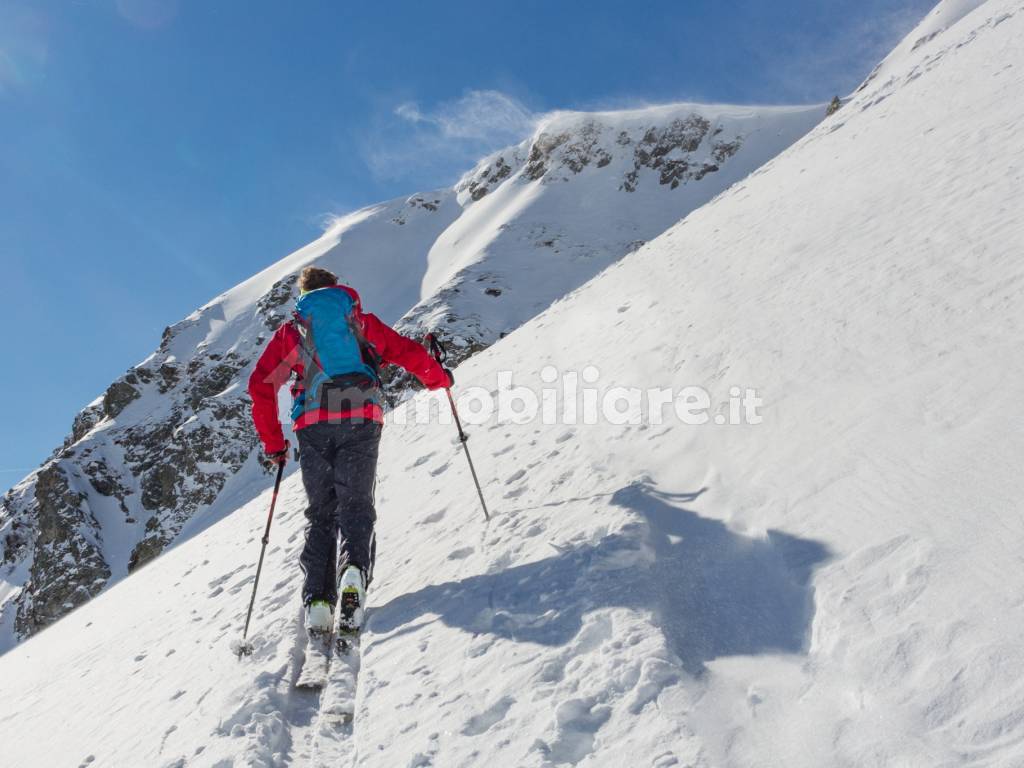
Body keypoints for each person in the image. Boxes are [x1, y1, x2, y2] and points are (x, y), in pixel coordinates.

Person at [247, 266, 452, 636]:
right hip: (361, 419)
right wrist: (440, 379)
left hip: (312, 426)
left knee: (321, 512)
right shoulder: (362, 322)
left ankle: (318, 602)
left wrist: (274, 444)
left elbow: (260, 385)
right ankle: (354, 573)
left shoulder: (293, 332)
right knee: (356, 505)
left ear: (304, 294)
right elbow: (407, 353)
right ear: (337, 289)